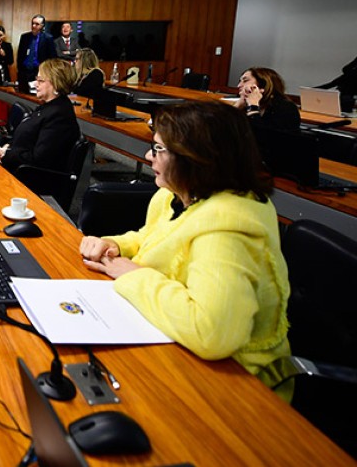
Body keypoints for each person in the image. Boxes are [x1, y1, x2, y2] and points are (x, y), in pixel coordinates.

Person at [79, 101, 291, 400]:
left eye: (159, 149)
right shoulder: (177, 195)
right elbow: (153, 238)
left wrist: (133, 275)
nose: (149, 156)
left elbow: (212, 334)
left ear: (196, 158)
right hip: (173, 341)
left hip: (238, 383)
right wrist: (115, 245)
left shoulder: (227, 227)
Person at [0, 58, 80, 174]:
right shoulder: (48, 106)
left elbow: (38, 160)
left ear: (56, 83)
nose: (35, 84)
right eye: (37, 79)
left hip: (30, 176)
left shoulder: (59, 116)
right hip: (18, 165)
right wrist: (8, 145)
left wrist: (8, 153)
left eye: (41, 80)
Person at [234, 67, 300, 132]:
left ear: (263, 84)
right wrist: (237, 106)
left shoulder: (286, 107)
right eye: (240, 81)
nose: (239, 85)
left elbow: (261, 135)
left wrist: (253, 106)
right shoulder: (245, 104)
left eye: (245, 81)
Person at [16, 15, 55, 89]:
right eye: (33, 23)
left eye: (37, 24)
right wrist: (20, 70)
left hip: (39, 72)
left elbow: (52, 58)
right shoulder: (24, 37)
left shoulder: (48, 38)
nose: (34, 26)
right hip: (24, 72)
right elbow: (20, 55)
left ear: (42, 26)